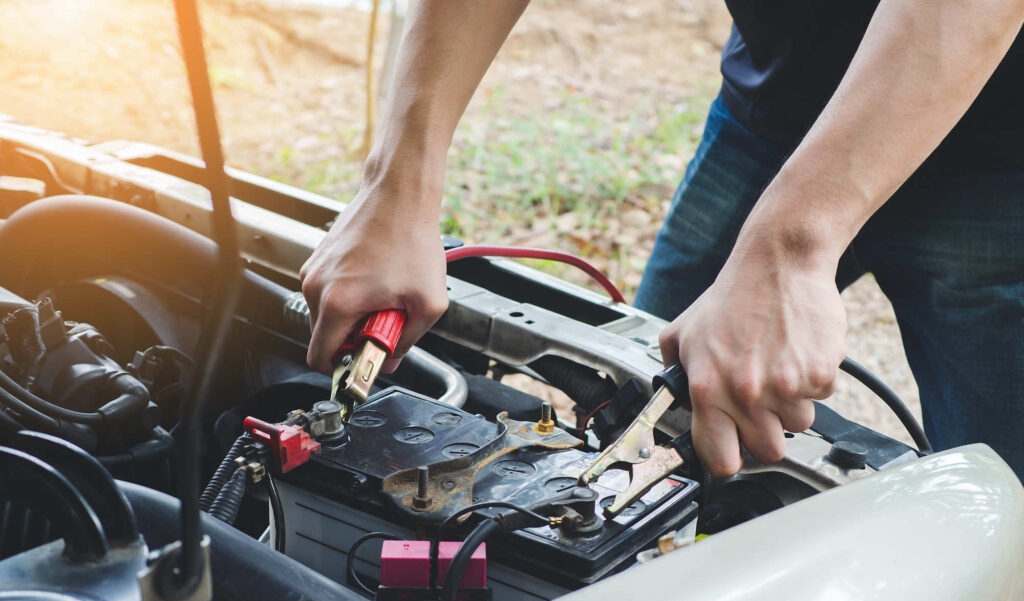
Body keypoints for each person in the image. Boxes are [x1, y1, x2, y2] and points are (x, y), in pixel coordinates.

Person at [300, 1, 1024, 478]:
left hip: (998, 161)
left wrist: (790, 244)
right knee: (640, 411)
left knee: (1002, 508)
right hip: (769, 107)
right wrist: (396, 184)